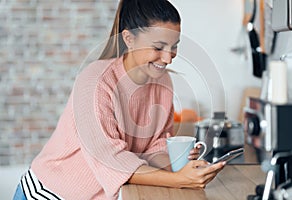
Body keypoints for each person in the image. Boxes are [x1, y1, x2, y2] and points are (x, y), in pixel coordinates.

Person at [13, 0, 225, 199]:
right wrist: (178, 180)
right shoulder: (96, 80)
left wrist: (178, 162)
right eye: (159, 47)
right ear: (129, 39)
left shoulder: (163, 83)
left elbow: (154, 146)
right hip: (48, 193)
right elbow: (110, 159)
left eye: (174, 46)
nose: (168, 58)